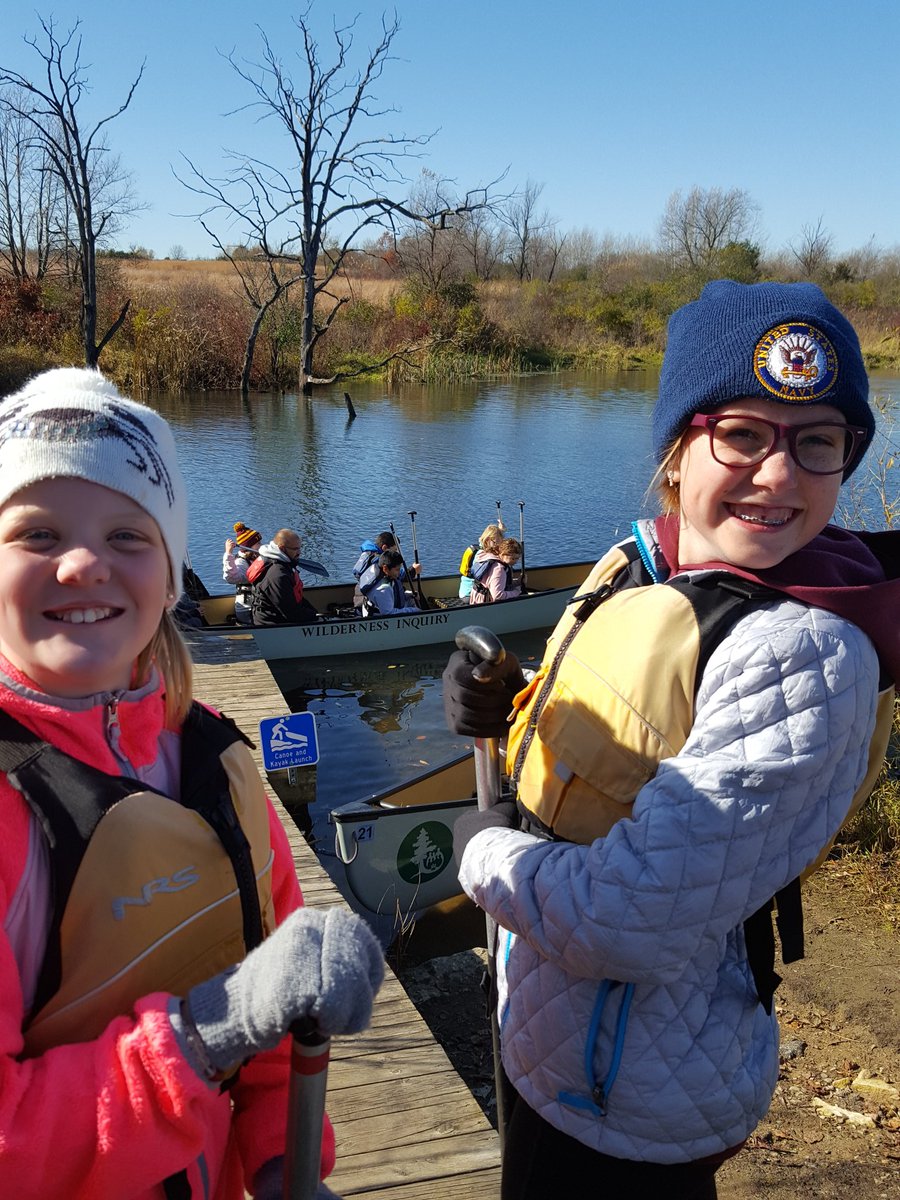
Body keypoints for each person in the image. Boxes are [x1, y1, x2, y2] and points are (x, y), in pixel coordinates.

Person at [443, 280, 899, 1199]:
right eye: (743, 433)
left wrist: (480, 850)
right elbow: (625, 729)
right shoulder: (646, 561)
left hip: (630, 1092)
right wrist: (512, 705)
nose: (779, 474)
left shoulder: (805, 654)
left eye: (817, 442)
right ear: (678, 449)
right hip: (551, 1026)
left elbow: (629, 920)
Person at [0, 367, 384, 1198]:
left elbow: (274, 1011)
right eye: (37, 534)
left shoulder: (217, 761)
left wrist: (282, 1161)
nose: (82, 565)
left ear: (169, 575)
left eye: (126, 536)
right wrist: (206, 1034)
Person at [249, 528, 319, 626]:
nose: (299, 552)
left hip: (280, 618)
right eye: (295, 549)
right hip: (271, 625)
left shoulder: (282, 564)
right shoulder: (277, 575)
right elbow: (292, 613)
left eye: (300, 548)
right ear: (282, 548)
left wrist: (314, 612)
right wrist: (315, 617)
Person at [353, 531, 420, 611]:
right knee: (415, 607)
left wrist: (406, 595)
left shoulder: (370, 556)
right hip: (375, 608)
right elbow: (399, 575)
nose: (396, 553)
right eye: (395, 550)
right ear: (384, 548)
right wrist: (413, 570)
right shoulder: (381, 564)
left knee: (411, 599)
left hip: (363, 602)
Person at [222, 520, 262, 624]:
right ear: (249, 546)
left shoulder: (255, 558)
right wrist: (228, 553)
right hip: (247, 610)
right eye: (258, 543)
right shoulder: (241, 562)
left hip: (257, 606)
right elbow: (230, 578)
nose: (261, 545)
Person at [362, 549, 422, 616]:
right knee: (416, 610)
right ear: (385, 568)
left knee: (412, 599)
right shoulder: (383, 589)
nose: (399, 573)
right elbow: (389, 614)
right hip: (378, 616)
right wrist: (415, 610)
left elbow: (391, 596)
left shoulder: (382, 575)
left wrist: (408, 595)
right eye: (397, 570)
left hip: (380, 607)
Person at [468, 535, 524, 605]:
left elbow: (495, 582)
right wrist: (516, 592)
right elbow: (498, 595)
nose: (515, 561)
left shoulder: (490, 557)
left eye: (517, 558)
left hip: (476, 598)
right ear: (503, 554)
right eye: (512, 558)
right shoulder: (499, 569)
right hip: (485, 603)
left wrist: (518, 582)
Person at [458, 522, 505, 599]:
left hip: (464, 592)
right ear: (487, 540)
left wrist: (501, 531)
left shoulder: (477, 549)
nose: (498, 546)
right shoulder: (482, 556)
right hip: (472, 595)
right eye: (496, 543)